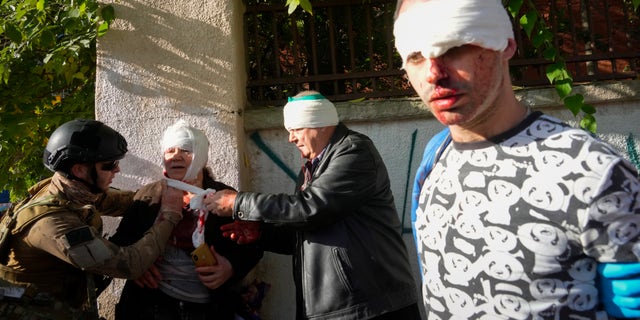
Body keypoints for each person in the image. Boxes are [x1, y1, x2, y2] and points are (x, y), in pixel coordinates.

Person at [393, 0, 640, 319]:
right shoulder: (434, 157)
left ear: (505, 45)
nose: (433, 74)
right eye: (415, 57)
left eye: (454, 48)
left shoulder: (594, 169)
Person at [204, 90, 421, 320]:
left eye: (296, 129)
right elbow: (306, 232)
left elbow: (311, 208)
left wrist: (238, 201)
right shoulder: (311, 169)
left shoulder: (355, 151)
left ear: (319, 124)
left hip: (371, 307)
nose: (291, 138)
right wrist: (262, 233)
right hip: (338, 309)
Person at [0, 119, 183, 319]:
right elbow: (130, 264)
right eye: (109, 165)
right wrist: (170, 215)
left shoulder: (71, 190)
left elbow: (130, 202)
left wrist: (171, 186)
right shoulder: (53, 224)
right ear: (79, 170)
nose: (117, 170)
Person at [109, 119, 263, 320]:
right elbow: (121, 242)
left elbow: (253, 246)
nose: (176, 157)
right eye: (170, 151)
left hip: (208, 309)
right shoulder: (148, 195)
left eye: (186, 151)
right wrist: (136, 267)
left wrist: (231, 267)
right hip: (150, 307)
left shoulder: (224, 198)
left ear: (201, 157)